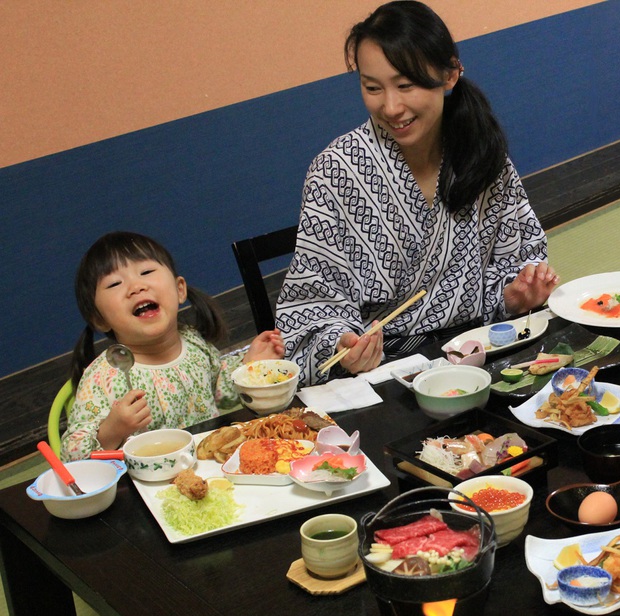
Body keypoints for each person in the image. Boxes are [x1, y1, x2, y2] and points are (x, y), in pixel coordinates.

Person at [276, 0, 558, 384]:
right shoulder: (336, 171)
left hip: (480, 352)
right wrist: (344, 346)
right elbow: (311, 302)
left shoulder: (477, 151)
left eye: (406, 85)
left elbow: (520, 256)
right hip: (382, 374)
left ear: (450, 75)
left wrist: (515, 295)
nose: (391, 107)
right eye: (372, 87)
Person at [61, 231, 285, 460]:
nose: (136, 287)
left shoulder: (194, 343)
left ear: (179, 290)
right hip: (148, 485)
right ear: (99, 318)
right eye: (115, 283)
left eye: (146, 272)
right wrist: (113, 430)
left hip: (208, 465)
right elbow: (71, 456)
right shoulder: (103, 378)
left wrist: (249, 366)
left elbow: (222, 392)